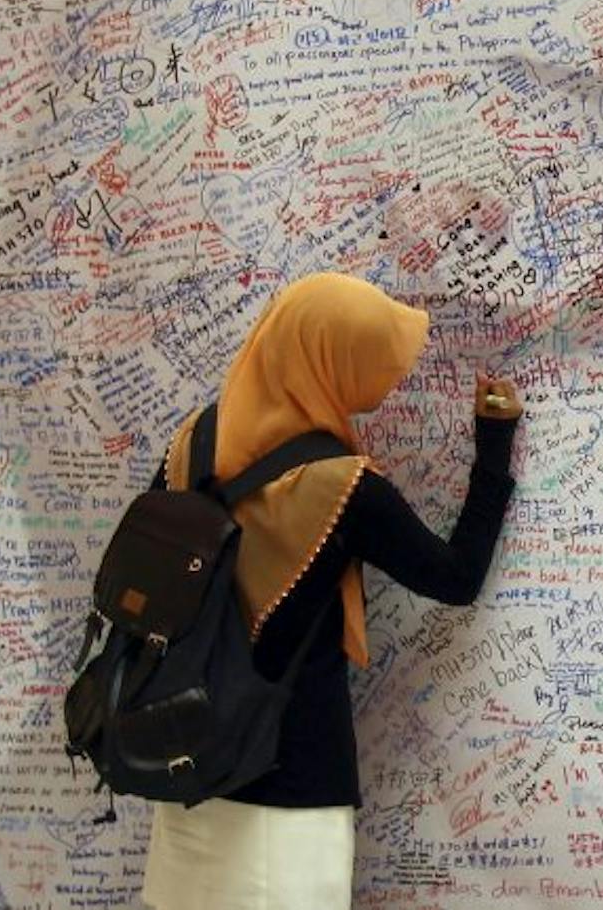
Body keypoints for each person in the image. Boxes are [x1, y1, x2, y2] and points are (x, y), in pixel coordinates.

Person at [136, 272, 521, 910]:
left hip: (189, 778)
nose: (392, 380)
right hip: (290, 809)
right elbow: (455, 578)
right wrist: (493, 443)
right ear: (332, 360)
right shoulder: (342, 489)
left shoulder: (192, 445)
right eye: (375, 361)